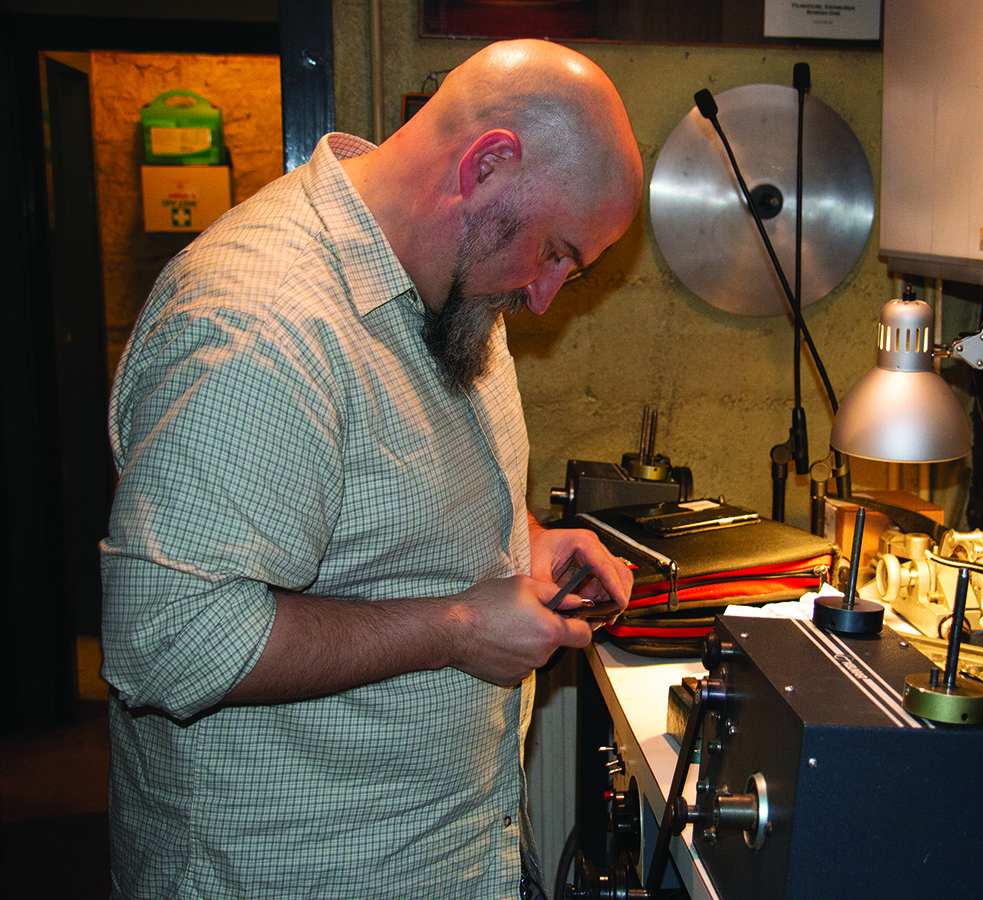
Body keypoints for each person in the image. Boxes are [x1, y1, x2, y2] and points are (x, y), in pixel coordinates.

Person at [99, 39, 643, 899]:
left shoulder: (458, 288)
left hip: (453, 851)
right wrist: (459, 625)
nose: (544, 297)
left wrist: (525, 542)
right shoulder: (260, 326)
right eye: (554, 252)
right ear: (487, 166)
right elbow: (169, 640)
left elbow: (395, 498)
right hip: (298, 873)